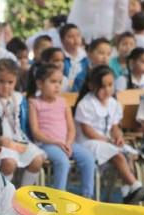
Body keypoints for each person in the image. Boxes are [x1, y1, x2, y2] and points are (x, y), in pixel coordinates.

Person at [75, 65, 144, 203]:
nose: (107, 90)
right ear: (91, 86)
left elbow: (114, 127)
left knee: (128, 155)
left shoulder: (113, 103)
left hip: (106, 142)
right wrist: (106, 140)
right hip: (88, 143)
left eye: (110, 85)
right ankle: (136, 185)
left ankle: (127, 191)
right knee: (119, 156)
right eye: (102, 86)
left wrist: (118, 136)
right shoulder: (85, 104)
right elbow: (87, 130)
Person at [27, 62, 96, 197]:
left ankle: (88, 197)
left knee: (88, 158)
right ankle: (59, 197)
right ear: (40, 84)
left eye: (59, 82)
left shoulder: (63, 102)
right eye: (53, 82)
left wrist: (69, 142)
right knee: (63, 161)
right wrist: (56, 143)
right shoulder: (34, 103)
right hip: (47, 145)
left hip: (67, 143)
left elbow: (71, 128)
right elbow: (35, 131)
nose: (57, 85)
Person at [0, 58, 46, 186]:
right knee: (9, 163)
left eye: (10, 82)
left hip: (18, 140)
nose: (5, 86)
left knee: (37, 160)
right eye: (1, 81)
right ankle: (1, 193)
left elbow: (24, 125)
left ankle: (23, 195)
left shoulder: (19, 98)